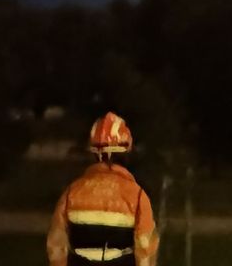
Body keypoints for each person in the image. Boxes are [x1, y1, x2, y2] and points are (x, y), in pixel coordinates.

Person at [47, 112, 158, 266]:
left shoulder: (72, 193)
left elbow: (56, 246)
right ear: (126, 152)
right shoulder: (137, 196)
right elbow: (145, 249)